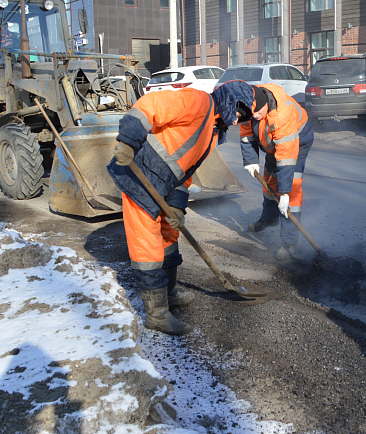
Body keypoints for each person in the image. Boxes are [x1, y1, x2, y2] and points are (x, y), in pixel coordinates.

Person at [107, 81, 253, 336]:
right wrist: (127, 142)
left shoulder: (211, 131)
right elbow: (148, 106)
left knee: (170, 235)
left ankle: (169, 291)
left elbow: (184, 173)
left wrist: (177, 208)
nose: (236, 119)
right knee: (148, 248)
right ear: (230, 100)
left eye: (241, 116)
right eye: (239, 111)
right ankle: (157, 315)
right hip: (138, 177)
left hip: (164, 185)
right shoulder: (198, 101)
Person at [235, 80, 314, 260]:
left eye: (259, 113)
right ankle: (269, 218)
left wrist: (284, 193)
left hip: (296, 143)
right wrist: (250, 160)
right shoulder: (249, 105)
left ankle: (289, 243)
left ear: (265, 105)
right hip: (272, 143)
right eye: (251, 113)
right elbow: (247, 134)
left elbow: (285, 157)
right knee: (269, 180)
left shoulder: (282, 115)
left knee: (291, 190)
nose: (255, 116)